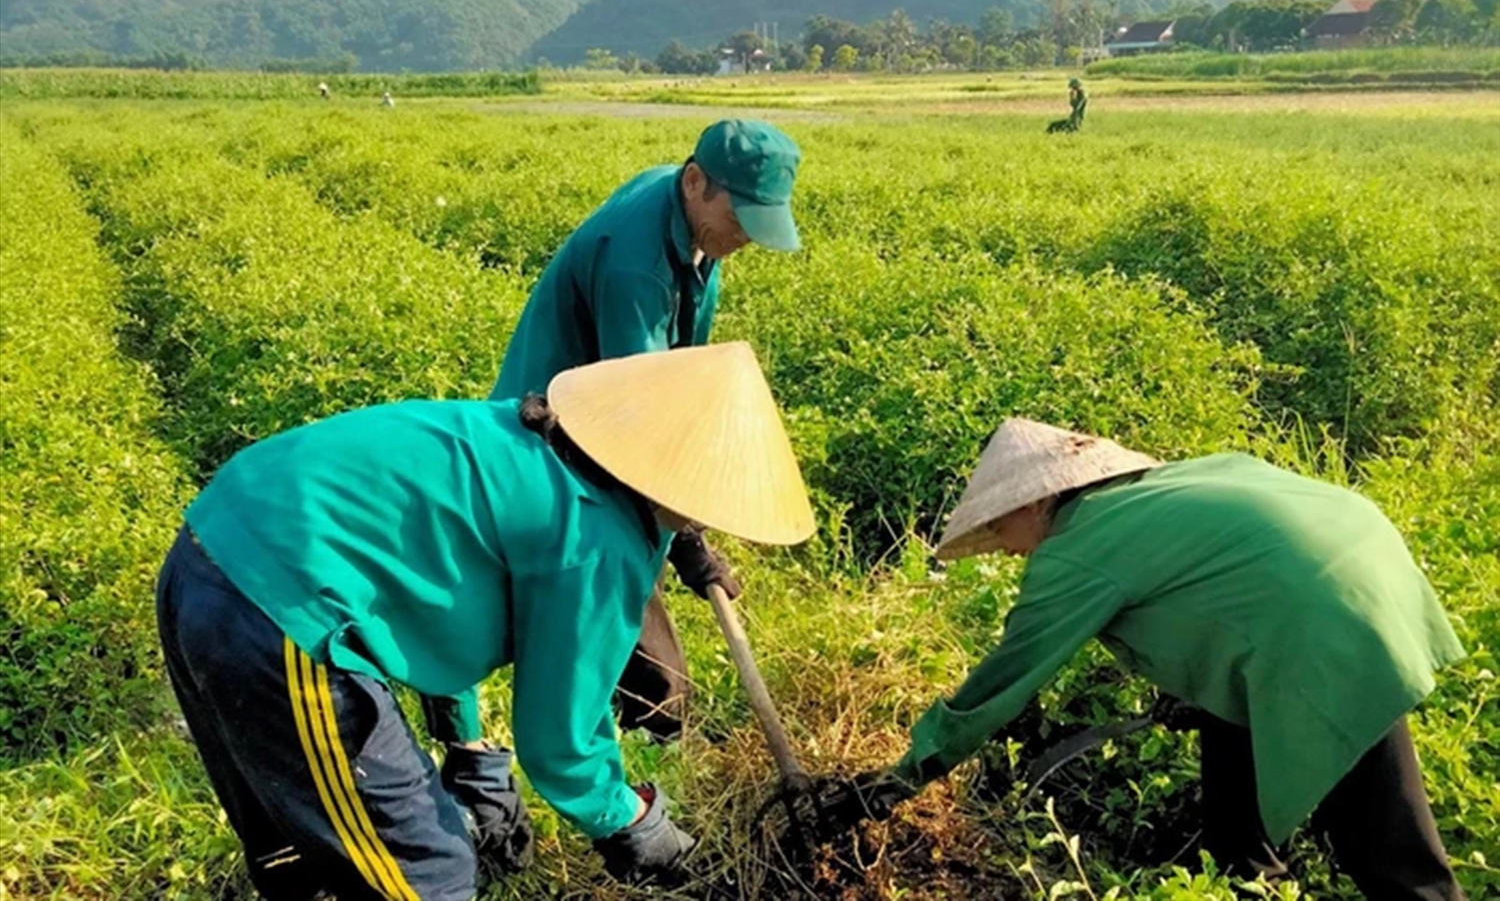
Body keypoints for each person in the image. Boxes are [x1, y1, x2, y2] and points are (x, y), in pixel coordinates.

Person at [155, 342, 816, 900]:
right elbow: (561, 741)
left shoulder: (525, 437)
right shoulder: (596, 539)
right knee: (428, 871)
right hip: (280, 609)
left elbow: (426, 588)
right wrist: (633, 822)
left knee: (299, 840)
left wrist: (467, 748)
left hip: (211, 547)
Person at [832, 419, 1467, 901]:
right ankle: (1252, 879)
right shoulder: (1165, 487)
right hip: (1360, 568)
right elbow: (1222, 582)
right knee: (1234, 816)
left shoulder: (1075, 550)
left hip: (1320, 624)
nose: (1003, 551)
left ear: (1031, 503)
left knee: (1385, 846)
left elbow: (1001, 684)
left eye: (998, 531)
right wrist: (1190, 687)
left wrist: (901, 780)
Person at [476, 118, 803, 744]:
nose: (744, 241)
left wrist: (686, 536)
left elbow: (676, 375)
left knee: (633, 560)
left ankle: (641, 728)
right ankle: (647, 738)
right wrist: (688, 542)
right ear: (695, 181)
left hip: (616, 413)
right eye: (739, 222)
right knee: (617, 575)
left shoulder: (691, 219)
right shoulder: (636, 264)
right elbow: (639, 427)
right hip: (562, 435)